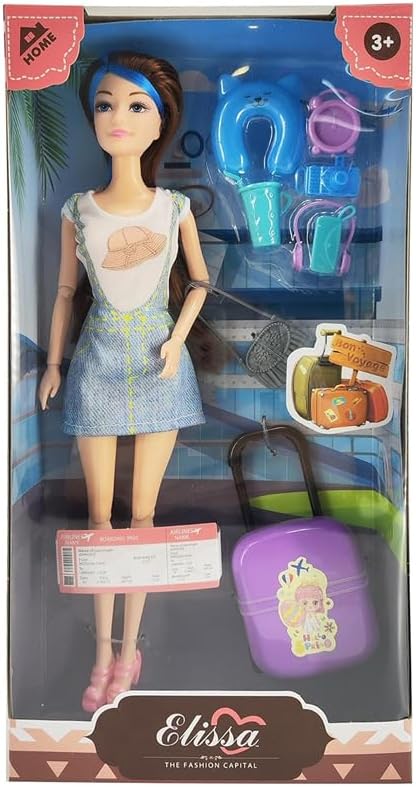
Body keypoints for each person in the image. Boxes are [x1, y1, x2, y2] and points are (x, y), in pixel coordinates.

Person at [38, 51, 209, 713]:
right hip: (98, 361)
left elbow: (200, 282)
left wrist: (177, 338)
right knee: (99, 518)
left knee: (143, 517)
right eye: (105, 104)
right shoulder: (78, 210)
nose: (118, 117)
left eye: (137, 106)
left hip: (160, 363)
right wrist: (54, 364)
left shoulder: (174, 208)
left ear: (160, 121)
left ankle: (130, 648)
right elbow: (64, 293)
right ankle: (101, 653)